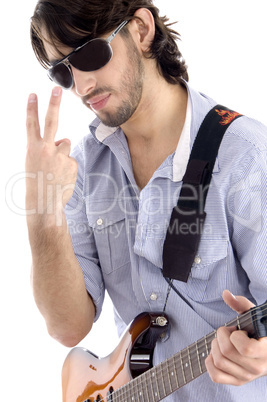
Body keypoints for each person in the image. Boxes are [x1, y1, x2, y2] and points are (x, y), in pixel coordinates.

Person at [26, 0, 267, 400]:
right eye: (63, 70)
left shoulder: (246, 157)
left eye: (89, 54)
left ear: (140, 29)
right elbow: (68, 327)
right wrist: (41, 211)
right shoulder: (83, 168)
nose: (81, 86)